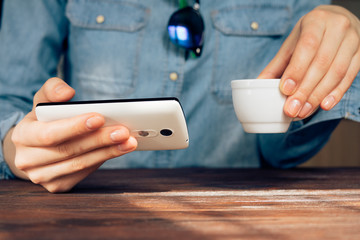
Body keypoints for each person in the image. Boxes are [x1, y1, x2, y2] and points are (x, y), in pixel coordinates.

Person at [0, 0, 359, 193]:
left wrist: (330, 72)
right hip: (89, 215)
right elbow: (8, 100)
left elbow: (279, 151)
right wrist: (19, 151)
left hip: (240, 212)